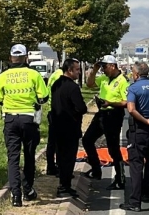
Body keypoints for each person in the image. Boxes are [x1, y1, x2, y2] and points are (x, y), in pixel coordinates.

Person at [0, 44, 49, 207]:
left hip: (10, 120)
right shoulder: (34, 75)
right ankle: (28, 190)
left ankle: (16, 196)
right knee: (29, 155)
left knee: (13, 158)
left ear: (11, 58)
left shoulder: (3, 76)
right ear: (26, 58)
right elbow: (44, 96)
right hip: (28, 119)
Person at [120, 62, 149, 212]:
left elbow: (131, 109)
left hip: (139, 130)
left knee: (136, 165)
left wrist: (146, 120)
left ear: (136, 74)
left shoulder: (134, 88)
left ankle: (135, 202)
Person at [82, 55, 129, 190]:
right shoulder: (104, 78)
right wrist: (94, 70)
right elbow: (90, 84)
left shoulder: (122, 81)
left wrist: (110, 103)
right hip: (102, 113)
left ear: (112, 66)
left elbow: (126, 102)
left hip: (114, 113)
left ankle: (120, 179)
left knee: (113, 147)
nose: (103, 69)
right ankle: (96, 170)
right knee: (87, 140)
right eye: (101, 67)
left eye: (104, 66)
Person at [50, 58, 87, 198]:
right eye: (77, 69)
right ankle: (64, 186)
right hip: (70, 127)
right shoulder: (72, 87)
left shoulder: (56, 84)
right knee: (69, 158)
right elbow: (81, 107)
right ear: (69, 70)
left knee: (61, 157)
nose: (79, 72)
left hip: (57, 125)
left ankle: (63, 184)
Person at [45, 66, 65, 176]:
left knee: (52, 141)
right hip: (57, 112)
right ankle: (57, 167)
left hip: (52, 110)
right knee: (58, 142)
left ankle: (51, 166)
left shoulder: (54, 74)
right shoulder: (59, 77)